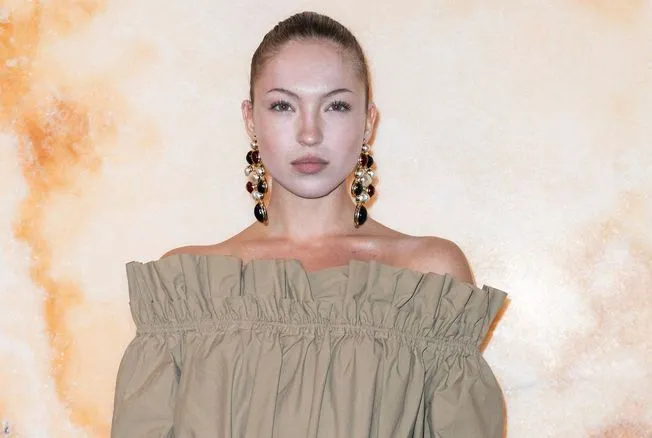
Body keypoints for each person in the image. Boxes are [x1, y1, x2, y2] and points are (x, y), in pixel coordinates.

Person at [111, 11, 507, 437]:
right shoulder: (185, 290)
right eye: (283, 105)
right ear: (251, 119)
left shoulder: (428, 281)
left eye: (336, 106)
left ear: (368, 121)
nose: (309, 133)